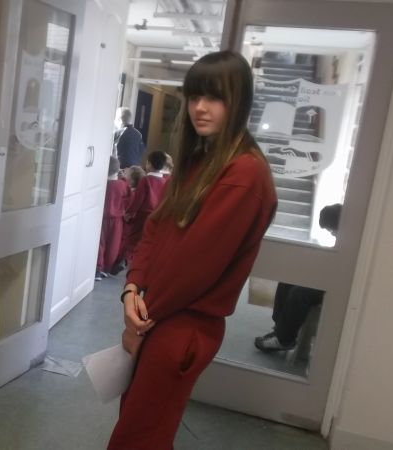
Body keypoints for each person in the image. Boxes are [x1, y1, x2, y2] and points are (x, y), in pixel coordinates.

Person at [110, 51, 277, 449]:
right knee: (140, 426)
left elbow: (194, 267)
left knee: (139, 437)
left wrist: (139, 322)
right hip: (159, 314)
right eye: (194, 96)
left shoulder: (244, 174)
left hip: (180, 323)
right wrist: (132, 287)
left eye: (215, 97)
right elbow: (155, 228)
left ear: (239, 101)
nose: (200, 107)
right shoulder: (201, 160)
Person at [254, 203, 341, 352]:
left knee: (299, 293)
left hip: (337, 284)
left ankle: (284, 340)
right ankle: (279, 329)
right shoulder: (344, 234)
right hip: (328, 276)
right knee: (288, 279)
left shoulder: (353, 239)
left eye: (332, 230)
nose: (332, 234)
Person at [122, 150, 169, 269]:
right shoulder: (165, 181)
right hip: (156, 215)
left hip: (142, 215)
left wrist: (129, 213)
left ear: (149, 164)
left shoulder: (146, 180)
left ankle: (128, 261)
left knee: (133, 239)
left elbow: (138, 199)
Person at [97, 156, 131, 280]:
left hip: (101, 217)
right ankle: (107, 268)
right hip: (117, 219)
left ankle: (98, 269)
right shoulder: (123, 185)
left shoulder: (101, 184)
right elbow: (129, 199)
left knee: (100, 244)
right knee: (113, 244)